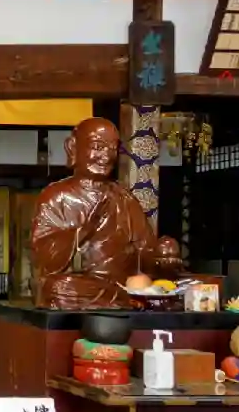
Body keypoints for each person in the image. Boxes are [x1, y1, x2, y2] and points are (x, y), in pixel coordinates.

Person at [31, 117, 181, 309]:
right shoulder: (56, 196)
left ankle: (122, 299)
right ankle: (120, 301)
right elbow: (43, 258)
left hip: (122, 285)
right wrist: (83, 231)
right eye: (98, 146)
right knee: (58, 287)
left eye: (113, 149)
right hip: (79, 287)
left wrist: (163, 257)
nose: (107, 156)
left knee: (187, 285)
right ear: (72, 147)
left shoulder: (124, 198)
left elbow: (144, 253)